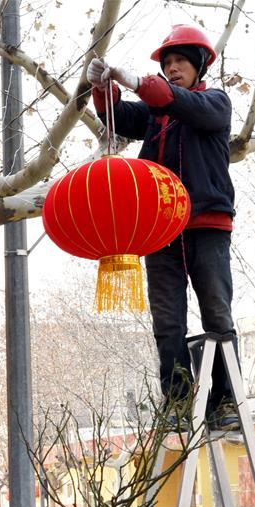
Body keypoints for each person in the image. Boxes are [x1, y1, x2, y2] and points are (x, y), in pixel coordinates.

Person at [87, 25, 240, 430]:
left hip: (207, 225)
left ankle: (225, 403)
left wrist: (137, 81)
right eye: (167, 64)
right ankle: (177, 402)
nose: (172, 69)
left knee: (216, 312)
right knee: (167, 321)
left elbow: (168, 99)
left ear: (198, 66)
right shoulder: (157, 118)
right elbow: (118, 117)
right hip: (161, 231)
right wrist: (104, 90)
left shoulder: (215, 103)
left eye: (179, 63)